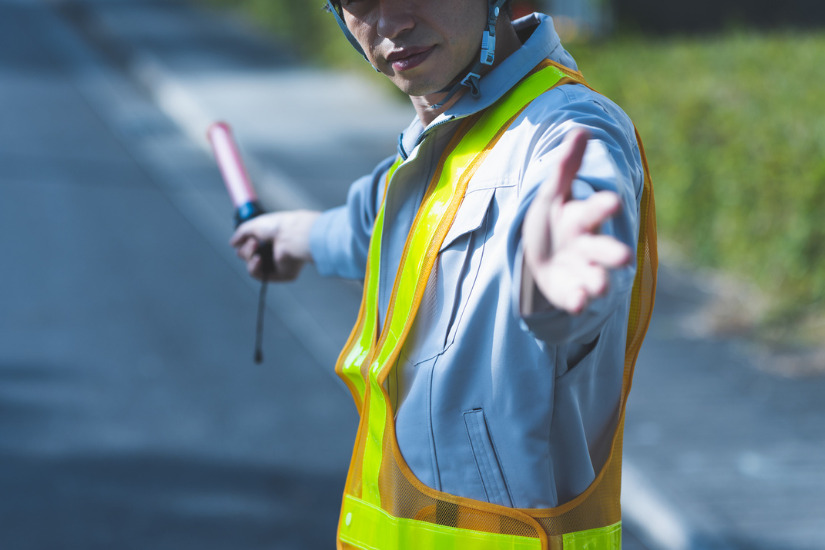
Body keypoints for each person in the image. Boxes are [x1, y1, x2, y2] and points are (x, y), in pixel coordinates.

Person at [231, 0, 657, 547]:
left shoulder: (567, 130)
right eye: (359, 1)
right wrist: (296, 237)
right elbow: (377, 221)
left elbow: (578, 236)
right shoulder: (445, 130)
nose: (392, 24)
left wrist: (556, 280)